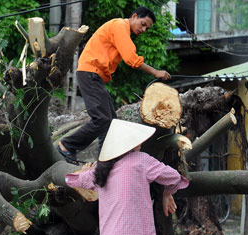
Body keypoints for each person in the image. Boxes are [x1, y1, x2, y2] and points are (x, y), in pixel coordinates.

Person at [57, 6, 171, 164]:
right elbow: (132, 59)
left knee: (112, 122)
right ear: (134, 16)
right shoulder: (119, 26)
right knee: (102, 119)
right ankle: (67, 145)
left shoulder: (121, 29)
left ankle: (105, 161)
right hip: (90, 72)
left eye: (147, 28)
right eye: (143, 24)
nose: (144, 29)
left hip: (94, 75)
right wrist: (155, 72)